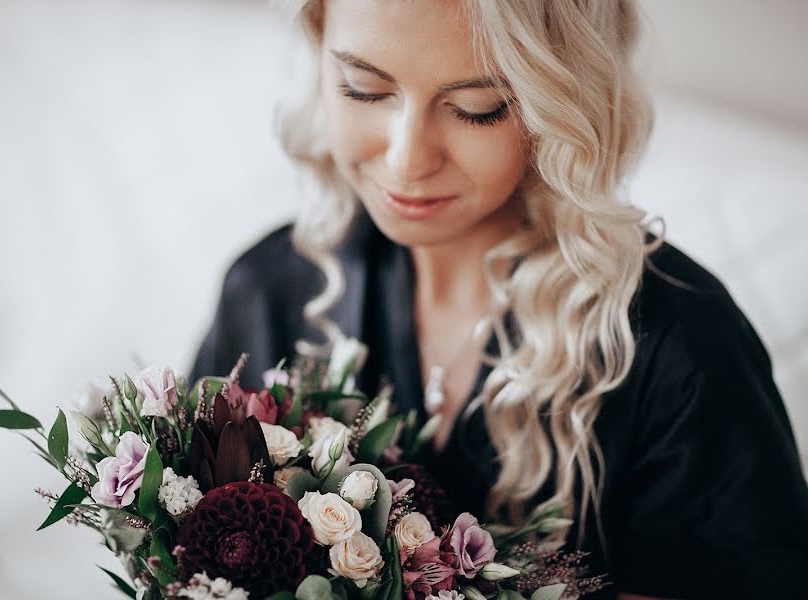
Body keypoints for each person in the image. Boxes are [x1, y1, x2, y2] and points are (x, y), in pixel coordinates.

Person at [190, 1, 808, 598]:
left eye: (476, 108)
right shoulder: (269, 291)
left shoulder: (681, 350)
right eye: (364, 88)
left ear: (561, 96)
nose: (407, 161)